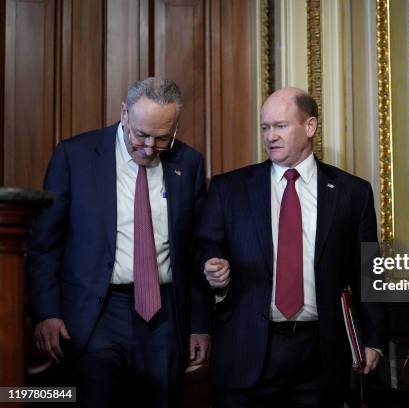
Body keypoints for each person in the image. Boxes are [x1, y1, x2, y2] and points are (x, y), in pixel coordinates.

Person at [26, 77, 212, 407]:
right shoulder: (75, 156)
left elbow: (195, 249)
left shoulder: (189, 163)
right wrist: (47, 312)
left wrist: (200, 325)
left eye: (162, 138)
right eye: (141, 134)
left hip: (164, 315)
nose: (149, 148)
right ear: (124, 114)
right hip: (95, 313)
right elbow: (45, 243)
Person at [196, 87, 387, 407]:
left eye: (280, 126)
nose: (270, 136)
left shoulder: (351, 193)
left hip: (319, 354)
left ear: (309, 126)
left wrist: (375, 340)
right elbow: (204, 244)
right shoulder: (229, 188)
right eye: (265, 127)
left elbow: (369, 272)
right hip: (247, 351)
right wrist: (211, 264)